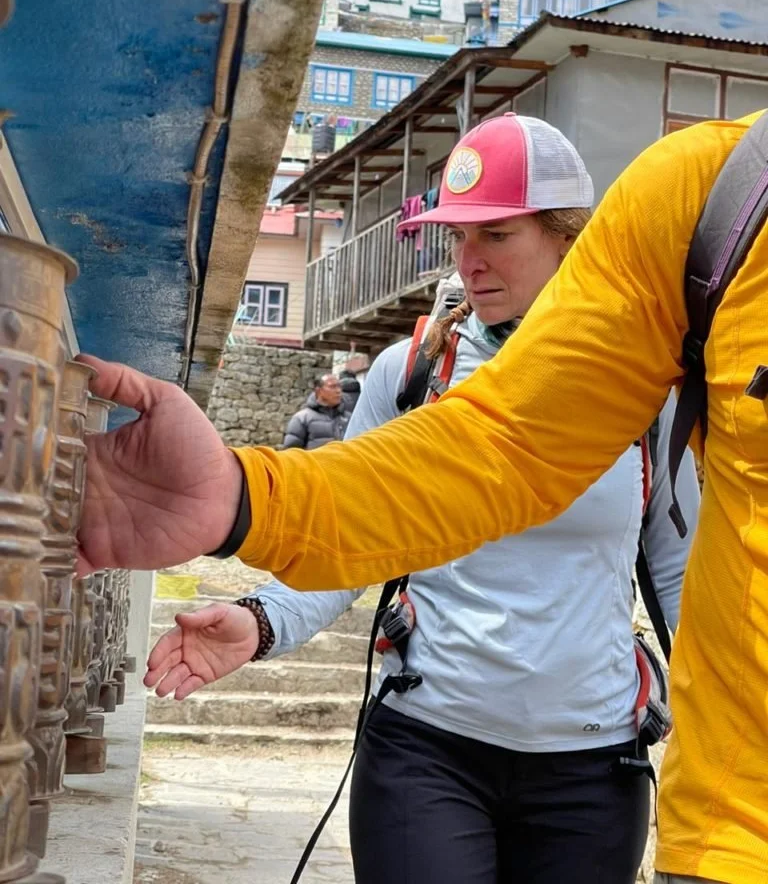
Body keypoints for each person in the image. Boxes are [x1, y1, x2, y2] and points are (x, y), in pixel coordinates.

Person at [78, 109, 767, 884]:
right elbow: (389, 514)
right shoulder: (409, 377)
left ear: (570, 235)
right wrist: (260, 614)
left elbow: (685, 575)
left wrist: (707, 739)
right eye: (456, 238)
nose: (469, 262)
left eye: (496, 235)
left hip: (594, 767)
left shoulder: (658, 400)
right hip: (428, 748)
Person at [281, 372, 349, 450]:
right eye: (332, 387)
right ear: (319, 390)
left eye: (339, 386)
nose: (338, 391)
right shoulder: (302, 418)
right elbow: (291, 452)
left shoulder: (349, 418)